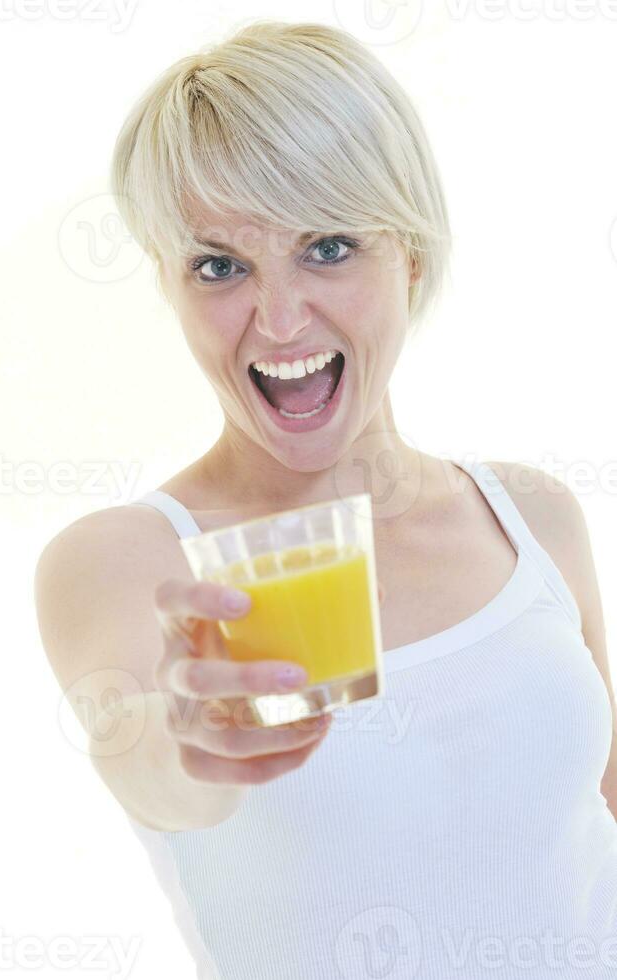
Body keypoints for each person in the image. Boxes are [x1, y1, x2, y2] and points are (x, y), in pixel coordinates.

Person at [34, 19, 617, 979]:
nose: (281, 317)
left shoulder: (531, 514)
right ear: (170, 288)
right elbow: (142, 751)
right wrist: (194, 741)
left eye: (330, 246)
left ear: (413, 257)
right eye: (219, 264)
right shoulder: (132, 559)